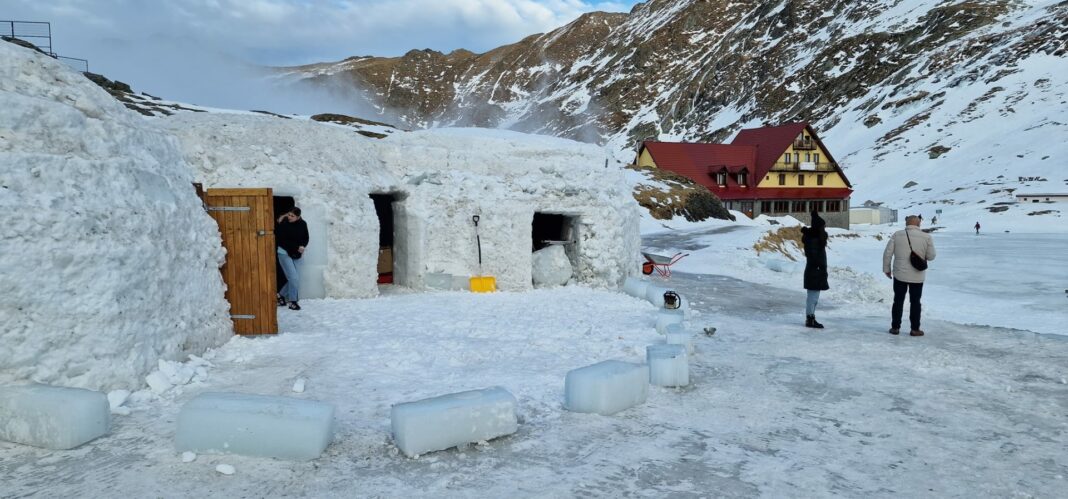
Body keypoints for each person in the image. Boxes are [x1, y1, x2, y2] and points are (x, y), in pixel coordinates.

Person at [883, 215, 936, 336]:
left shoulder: (897, 235)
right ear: (919, 224)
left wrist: (887, 269)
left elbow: (887, 254)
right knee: (915, 301)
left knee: (898, 300)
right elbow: (931, 256)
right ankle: (915, 329)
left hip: (899, 274)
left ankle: (895, 327)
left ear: (906, 224)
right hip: (917, 276)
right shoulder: (926, 237)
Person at [276, 207, 310, 310]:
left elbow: (306, 237)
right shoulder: (284, 224)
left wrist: (303, 246)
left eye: (292, 216)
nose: (290, 217)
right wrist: (297, 247)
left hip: (296, 254)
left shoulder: (303, 224)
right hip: (284, 252)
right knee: (294, 278)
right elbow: (282, 241)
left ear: (298, 217)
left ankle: (280, 295)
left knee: (294, 278)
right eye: (289, 215)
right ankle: (292, 302)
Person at [801, 210, 829, 329]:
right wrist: (820, 267)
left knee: (813, 297)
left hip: (815, 271)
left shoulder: (814, 239)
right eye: (823, 227)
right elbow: (814, 256)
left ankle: (810, 317)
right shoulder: (814, 240)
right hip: (815, 271)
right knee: (813, 297)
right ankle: (810, 318)